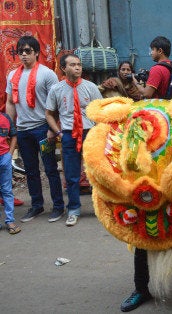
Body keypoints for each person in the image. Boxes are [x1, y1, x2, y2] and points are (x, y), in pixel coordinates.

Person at [5, 35, 65, 223]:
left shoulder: (46, 74)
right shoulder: (12, 75)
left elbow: (56, 103)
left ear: (37, 53)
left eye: (28, 51)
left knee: (50, 169)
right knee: (30, 171)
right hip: (22, 131)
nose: (23, 55)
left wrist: (51, 128)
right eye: (20, 51)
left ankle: (58, 207)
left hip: (42, 129)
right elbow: (9, 102)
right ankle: (37, 205)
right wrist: (10, 127)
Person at [44, 53, 102, 226]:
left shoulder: (91, 87)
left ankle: (101, 209)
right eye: (73, 65)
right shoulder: (56, 89)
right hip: (68, 134)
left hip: (90, 133)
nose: (77, 67)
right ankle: (74, 210)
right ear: (63, 68)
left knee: (97, 174)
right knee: (71, 175)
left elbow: (100, 111)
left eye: (79, 64)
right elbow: (49, 114)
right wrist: (59, 133)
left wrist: (100, 132)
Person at [0, 111, 20, 234]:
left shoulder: (5, 117)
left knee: (6, 190)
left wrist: (9, 154)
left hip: (4, 158)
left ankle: (10, 220)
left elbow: (13, 135)